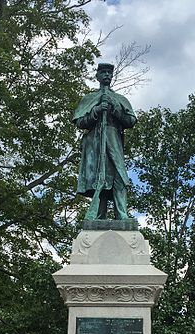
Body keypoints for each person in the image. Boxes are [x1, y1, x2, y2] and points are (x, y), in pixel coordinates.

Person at [73, 63, 137, 220]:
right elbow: (80, 122)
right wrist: (96, 110)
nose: (107, 75)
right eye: (103, 72)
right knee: (99, 177)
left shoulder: (120, 99)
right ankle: (99, 215)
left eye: (109, 72)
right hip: (94, 143)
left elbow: (131, 120)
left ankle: (121, 214)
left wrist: (115, 108)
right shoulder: (89, 98)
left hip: (114, 140)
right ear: (98, 76)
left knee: (119, 176)